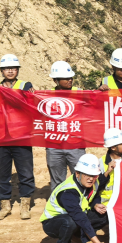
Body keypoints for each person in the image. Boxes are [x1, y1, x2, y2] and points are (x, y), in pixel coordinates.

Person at [0, 54, 36, 220]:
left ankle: (25, 205)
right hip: (1, 137)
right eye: (7, 68)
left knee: (25, 172)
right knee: (2, 173)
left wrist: (30, 90)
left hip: (22, 137)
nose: (10, 71)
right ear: (2, 71)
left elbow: (33, 105)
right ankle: (5, 206)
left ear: (18, 70)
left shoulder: (25, 86)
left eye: (13, 68)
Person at [41, 154, 109, 243]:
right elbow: (80, 218)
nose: (91, 179)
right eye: (87, 175)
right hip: (53, 223)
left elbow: (96, 192)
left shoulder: (91, 181)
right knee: (70, 222)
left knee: (105, 215)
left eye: (94, 176)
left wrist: (95, 204)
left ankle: (77, 236)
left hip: (75, 216)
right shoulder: (68, 192)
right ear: (77, 174)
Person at [45, 61, 86, 191]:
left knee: (81, 177)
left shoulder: (80, 93)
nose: (70, 80)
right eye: (66, 78)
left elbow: (98, 103)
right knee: (57, 181)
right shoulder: (46, 95)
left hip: (75, 144)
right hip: (54, 145)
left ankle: (81, 201)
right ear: (56, 80)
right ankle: (58, 202)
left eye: (71, 77)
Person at [98, 128, 122, 207]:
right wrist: (107, 172)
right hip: (108, 205)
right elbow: (96, 186)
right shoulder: (101, 162)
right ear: (113, 148)